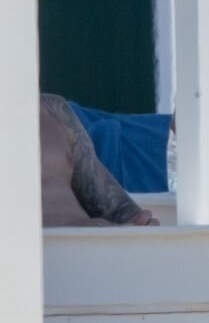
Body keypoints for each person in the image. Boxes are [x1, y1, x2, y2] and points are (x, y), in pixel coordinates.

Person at [40, 94, 158, 228]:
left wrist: (137, 220)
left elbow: (111, 203)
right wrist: (69, 225)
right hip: (38, 240)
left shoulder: (53, 108)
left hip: (95, 237)